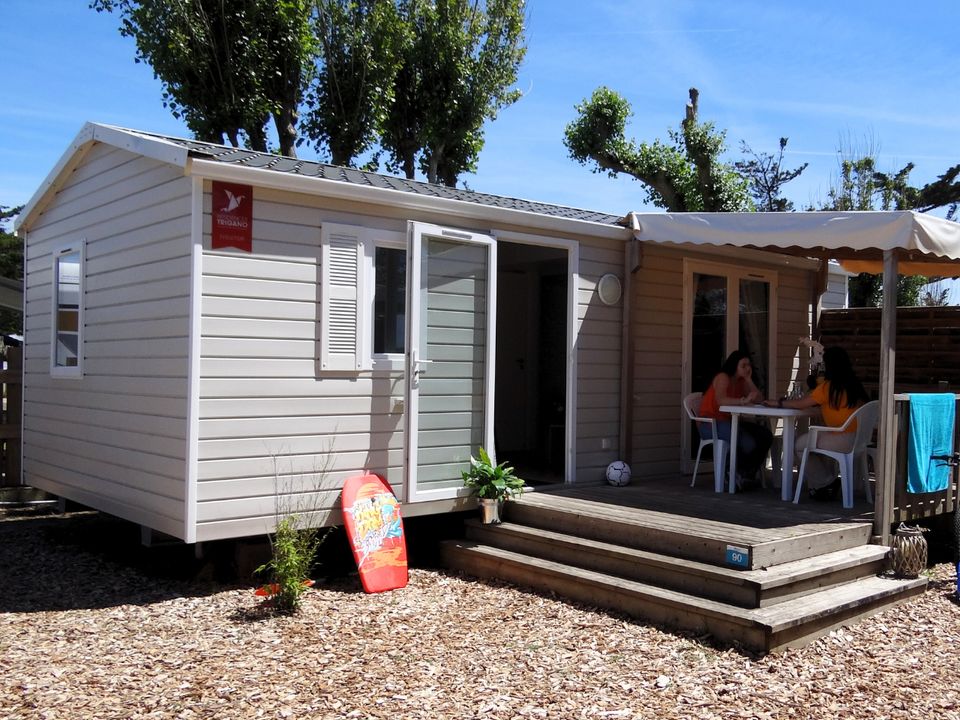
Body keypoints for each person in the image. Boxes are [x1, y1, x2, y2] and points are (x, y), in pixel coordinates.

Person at [766, 345, 870, 500]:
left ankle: (825, 482)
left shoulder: (828, 387)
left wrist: (778, 403)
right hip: (859, 439)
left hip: (842, 440)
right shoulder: (854, 385)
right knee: (813, 443)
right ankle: (823, 484)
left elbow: (800, 404)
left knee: (799, 445)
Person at [698, 350, 773, 490]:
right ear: (734, 366)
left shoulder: (741, 381)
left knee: (765, 435)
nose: (747, 368)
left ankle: (744, 471)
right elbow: (721, 400)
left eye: (749, 365)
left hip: (731, 421)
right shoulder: (723, 377)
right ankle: (731, 472)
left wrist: (749, 380)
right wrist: (742, 401)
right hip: (710, 423)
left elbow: (759, 399)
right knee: (747, 443)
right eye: (743, 365)